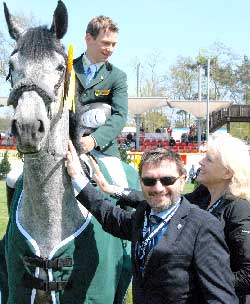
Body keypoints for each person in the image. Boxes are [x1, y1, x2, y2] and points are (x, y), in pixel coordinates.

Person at [66, 142, 238, 304]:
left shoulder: (203, 225)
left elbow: (221, 298)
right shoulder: (143, 214)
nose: (158, 188)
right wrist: (77, 178)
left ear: (182, 179)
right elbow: (111, 217)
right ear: (140, 182)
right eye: (149, 181)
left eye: (167, 180)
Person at [187, 133, 250, 304]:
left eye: (208, 159)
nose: (200, 162)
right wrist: (115, 191)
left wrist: (202, 281)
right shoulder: (201, 196)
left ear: (227, 172)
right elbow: (165, 201)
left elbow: (248, 275)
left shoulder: (239, 209)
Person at [73, 15, 128, 157]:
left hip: (103, 151)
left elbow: (120, 116)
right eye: (106, 43)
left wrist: (93, 140)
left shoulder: (117, 76)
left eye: (114, 44)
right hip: (65, 146)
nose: (110, 49)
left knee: (119, 180)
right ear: (88, 39)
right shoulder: (66, 69)